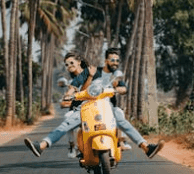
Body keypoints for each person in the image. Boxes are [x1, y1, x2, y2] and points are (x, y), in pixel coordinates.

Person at [24, 50, 164, 159]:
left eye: (71, 63)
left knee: (121, 119)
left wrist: (117, 88)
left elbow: (117, 84)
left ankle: (146, 147)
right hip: (85, 109)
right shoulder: (78, 79)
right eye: (67, 65)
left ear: (79, 62)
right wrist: (68, 96)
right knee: (66, 123)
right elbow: (72, 91)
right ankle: (42, 146)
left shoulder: (99, 72)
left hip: (104, 106)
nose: (69, 67)